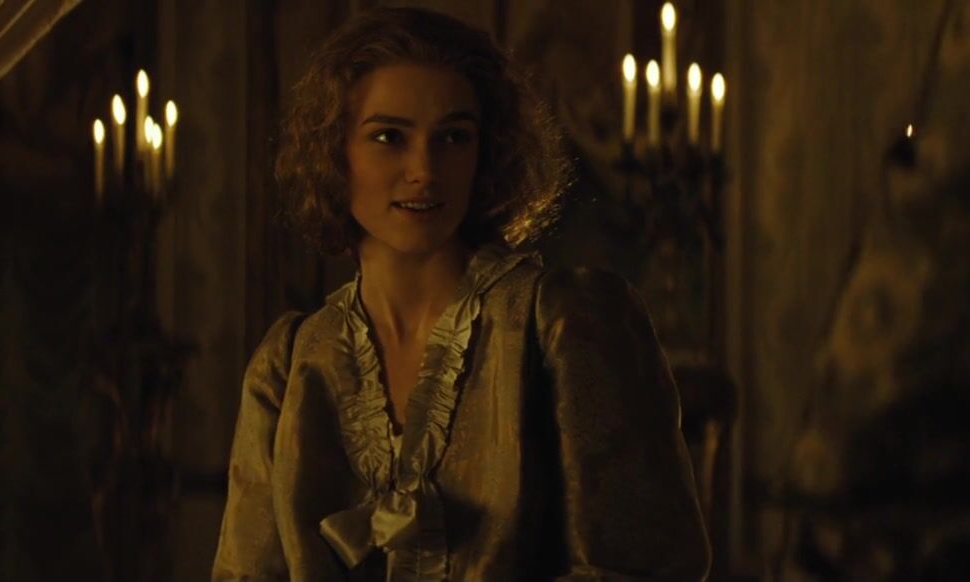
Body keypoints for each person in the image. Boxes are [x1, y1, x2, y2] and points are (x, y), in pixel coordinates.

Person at [211, 7, 709, 580]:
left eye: (452, 137)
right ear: (334, 152)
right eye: (389, 137)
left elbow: (642, 567)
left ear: (485, 152)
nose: (424, 170)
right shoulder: (289, 366)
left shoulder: (563, 323)